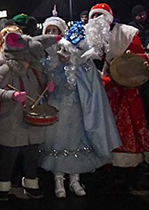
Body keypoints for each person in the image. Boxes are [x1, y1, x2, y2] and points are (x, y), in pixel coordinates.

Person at [40, 20, 121, 198]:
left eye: (66, 51)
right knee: (57, 142)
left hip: (77, 112)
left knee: (76, 142)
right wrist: (49, 85)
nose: (61, 54)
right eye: (60, 50)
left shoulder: (83, 67)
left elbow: (90, 89)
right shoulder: (51, 65)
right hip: (56, 110)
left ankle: (75, 180)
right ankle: (58, 180)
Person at [86, 3, 149, 188]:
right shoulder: (86, 36)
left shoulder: (127, 33)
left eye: (101, 15)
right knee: (99, 128)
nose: (97, 20)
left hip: (123, 91)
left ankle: (128, 167)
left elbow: (140, 61)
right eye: (94, 16)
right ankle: (102, 165)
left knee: (125, 127)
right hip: (97, 92)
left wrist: (126, 62)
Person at [0, 33, 56, 200]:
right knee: (9, 155)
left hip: (32, 118)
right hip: (12, 119)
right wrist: (12, 95)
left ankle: (31, 183)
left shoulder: (36, 70)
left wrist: (47, 86)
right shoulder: (6, 69)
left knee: (32, 153)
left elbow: (41, 85)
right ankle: (3, 185)